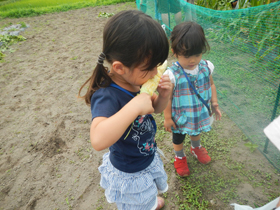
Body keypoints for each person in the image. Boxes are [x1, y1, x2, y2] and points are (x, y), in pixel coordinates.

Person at [78, 10, 172, 210]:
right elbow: (98, 139)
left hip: (146, 155)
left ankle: (150, 203)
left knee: (148, 194)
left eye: (157, 66)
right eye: (149, 67)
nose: (155, 73)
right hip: (129, 170)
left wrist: (163, 96)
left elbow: (154, 108)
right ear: (120, 68)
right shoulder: (107, 95)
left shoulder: (137, 80)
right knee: (134, 203)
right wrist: (135, 106)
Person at [163, 21, 222, 177]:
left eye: (197, 54)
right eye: (187, 56)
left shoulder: (206, 67)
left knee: (196, 130)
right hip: (181, 116)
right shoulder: (172, 74)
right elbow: (167, 99)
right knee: (179, 137)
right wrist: (168, 118)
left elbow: (211, 85)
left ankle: (196, 147)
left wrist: (214, 103)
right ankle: (180, 157)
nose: (193, 60)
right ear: (174, 51)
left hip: (198, 112)